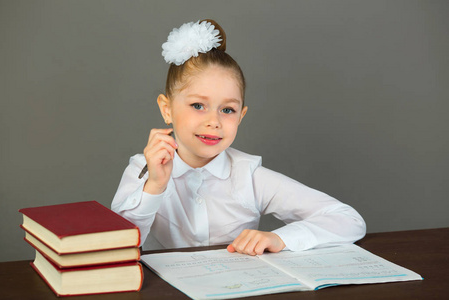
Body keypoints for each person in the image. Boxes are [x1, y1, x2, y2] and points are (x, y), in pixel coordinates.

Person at [111, 19, 366, 256]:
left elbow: (348, 220)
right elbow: (117, 244)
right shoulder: (143, 170)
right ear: (167, 109)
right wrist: (154, 187)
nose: (214, 121)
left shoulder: (249, 176)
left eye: (227, 110)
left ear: (241, 116)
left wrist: (281, 238)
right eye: (198, 105)